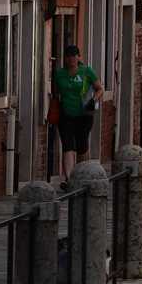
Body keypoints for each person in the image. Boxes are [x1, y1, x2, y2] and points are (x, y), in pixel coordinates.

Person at [51, 45, 103, 187]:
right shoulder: (59, 74)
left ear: (79, 57)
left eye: (74, 56)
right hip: (65, 114)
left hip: (84, 114)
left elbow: (99, 88)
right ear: (65, 58)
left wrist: (94, 100)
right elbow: (56, 94)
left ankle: (82, 175)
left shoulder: (86, 71)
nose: (72, 59)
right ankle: (69, 178)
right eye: (69, 56)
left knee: (82, 145)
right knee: (68, 145)